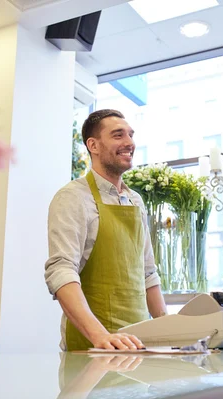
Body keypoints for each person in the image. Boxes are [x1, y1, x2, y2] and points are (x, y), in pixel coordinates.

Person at [45, 109, 167, 351]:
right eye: (118, 135)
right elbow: (61, 271)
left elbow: (148, 274)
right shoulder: (72, 197)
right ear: (94, 145)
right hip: (94, 349)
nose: (129, 142)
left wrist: (172, 333)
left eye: (130, 135)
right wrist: (101, 337)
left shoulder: (136, 201)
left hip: (137, 346)